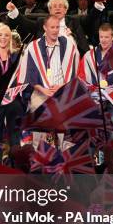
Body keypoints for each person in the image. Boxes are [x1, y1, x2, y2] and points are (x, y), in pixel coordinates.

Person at [16, 15, 80, 147]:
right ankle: (41, 155)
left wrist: (61, 87)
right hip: (41, 92)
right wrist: (43, 90)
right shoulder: (33, 48)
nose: (55, 30)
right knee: (41, 129)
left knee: (62, 123)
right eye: (52, 27)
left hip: (61, 92)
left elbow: (74, 72)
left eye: (57, 27)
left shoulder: (67, 44)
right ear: (45, 28)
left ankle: (60, 155)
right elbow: (29, 76)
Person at [5, 0, 103, 55]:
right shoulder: (41, 22)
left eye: (61, 6)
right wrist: (14, 10)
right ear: (50, 10)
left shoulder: (75, 21)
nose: (57, 9)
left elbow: (91, 18)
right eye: (54, 6)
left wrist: (98, 4)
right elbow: (25, 23)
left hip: (73, 60)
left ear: (66, 9)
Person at [77, 23, 113, 91]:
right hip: (93, 95)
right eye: (101, 37)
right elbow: (81, 77)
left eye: (106, 37)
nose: (103, 40)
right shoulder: (89, 55)